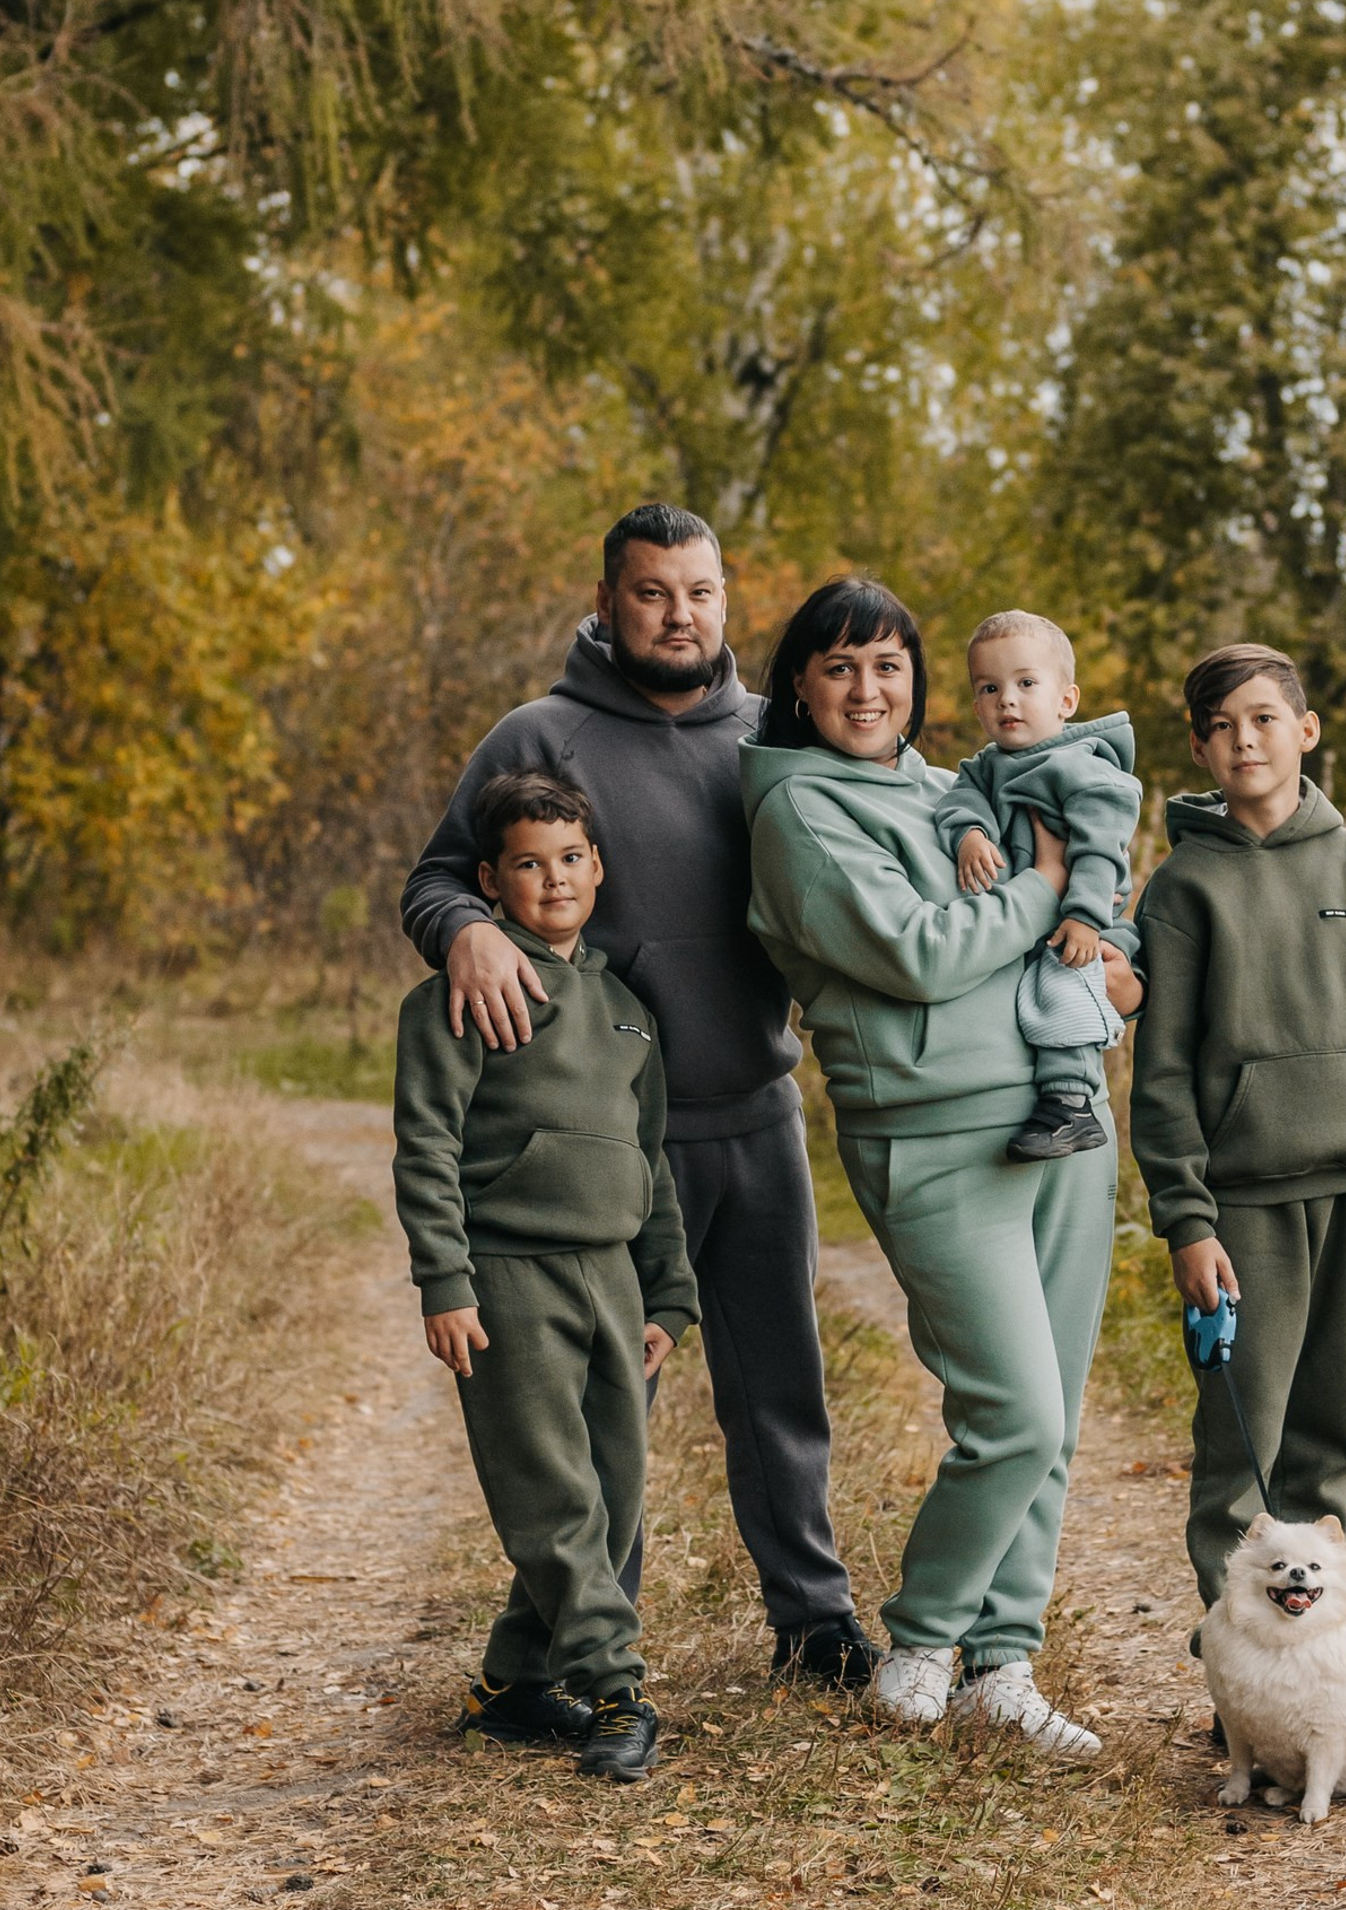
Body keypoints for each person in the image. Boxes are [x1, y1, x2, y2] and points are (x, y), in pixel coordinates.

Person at [401, 504, 874, 1688]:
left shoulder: (777, 734)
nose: (680, 615)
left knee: (780, 1390)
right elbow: (437, 877)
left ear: (730, 599)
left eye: (701, 593)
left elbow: (899, 821)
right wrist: (462, 927)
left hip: (757, 1112)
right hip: (612, 1138)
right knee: (592, 1417)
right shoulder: (542, 733)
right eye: (654, 593)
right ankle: (569, 1650)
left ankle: (813, 1623)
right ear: (609, 601)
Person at [739, 578, 1143, 1761]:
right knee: (1009, 1411)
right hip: (931, 1131)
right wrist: (1043, 884)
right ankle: (923, 1637)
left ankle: (1000, 1669)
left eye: (888, 666)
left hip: (1061, 1121)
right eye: (839, 668)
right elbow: (918, 955)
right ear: (800, 687)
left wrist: (1111, 951)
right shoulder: (797, 813)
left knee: (1054, 1415)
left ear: (915, 682)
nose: (868, 690)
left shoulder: (949, 783)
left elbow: (1093, 893)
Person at [393, 771, 699, 1781]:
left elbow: (648, 1160)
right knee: (552, 1494)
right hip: (509, 1274)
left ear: (599, 868)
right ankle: (615, 1689)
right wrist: (446, 1280)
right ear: (490, 879)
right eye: (529, 863)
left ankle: (519, 1684)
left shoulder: (624, 1009)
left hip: (611, 1276)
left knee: (612, 1497)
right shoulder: (464, 993)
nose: (554, 880)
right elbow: (427, 1146)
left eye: (571, 859)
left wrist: (668, 1293)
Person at [1130, 644, 1346, 1616]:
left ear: (1305, 731)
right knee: (1243, 1455)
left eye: (1263, 719)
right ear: (1198, 746)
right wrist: (1187, 1219)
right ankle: (1234, 1678)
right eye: (1221, 727)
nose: (1244, 741)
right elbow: (1164, 1072)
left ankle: (1314, 1672)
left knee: (1324, 1442)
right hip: (1243, 1211)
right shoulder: (1184, 890)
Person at [934, 610, 1142, 1162]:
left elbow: (1100, 848)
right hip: (1029, 918)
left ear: (1065, 700)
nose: (1008, 699)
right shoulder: (985, 767)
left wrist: (1084, 916)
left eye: (1026, 683)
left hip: (1084, 920)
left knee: (1065, 986)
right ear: (976, 705)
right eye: (990, 688)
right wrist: (971, 833)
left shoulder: (1084, 767)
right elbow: (959, 801)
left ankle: (1070, 1103)